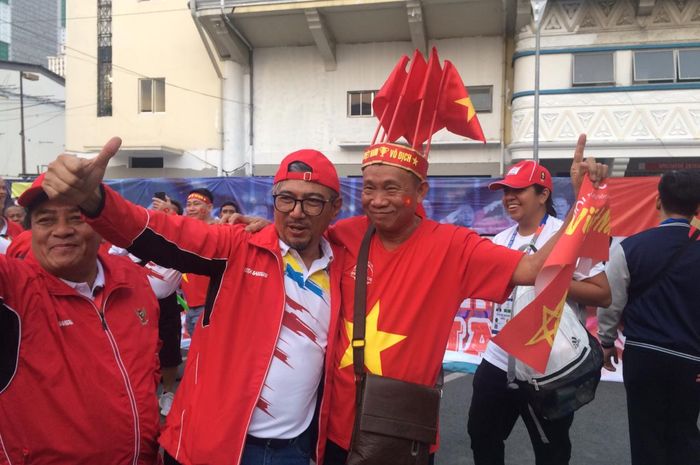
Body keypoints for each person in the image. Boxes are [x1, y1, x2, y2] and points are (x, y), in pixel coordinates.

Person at [41, 139, 346, 465]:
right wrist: (95, 200)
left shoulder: (344, 261)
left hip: (295, 450)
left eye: (313, 202)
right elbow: (161, 234)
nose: (297, 213)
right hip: (210, 447)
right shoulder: (236, 246)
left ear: (336, 207)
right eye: (286, 199)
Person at [320, 135, 608, 464]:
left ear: (420, 192)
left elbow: (532, 268)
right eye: (369, 187)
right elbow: (297, 248)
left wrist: (583, 201)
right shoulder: (344, 236)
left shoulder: (453, 245)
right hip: (336, 424)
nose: (377, 200)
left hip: (402, 426)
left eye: (391, 188)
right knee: (484, 436)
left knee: (548, 446)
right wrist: (254, 227)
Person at [0, 174, 161, 464]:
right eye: (45, 220)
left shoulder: (134, 280)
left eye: (76, 218)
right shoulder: (15, 289)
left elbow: (149, 366)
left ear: (101, 225)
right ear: (31, 231)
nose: (61, 231)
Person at [467, 160, 611, 465]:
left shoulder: (568, 234)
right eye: (505, 191)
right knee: (482, 436)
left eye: (518, 190)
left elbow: (603, 293)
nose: (509, 197)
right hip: (498, 359)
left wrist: (551, 281)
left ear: (543, 194)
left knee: (551, 450)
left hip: (548, 367)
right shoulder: (500, 240)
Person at [598, 170, 700, 465]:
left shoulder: (630, 247)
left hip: (644, 355)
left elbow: (609, 301)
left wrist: (606, 342)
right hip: (691, 360)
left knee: (646, 436)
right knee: (683, 433)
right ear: (696, 207)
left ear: (658, 202)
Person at [110, 192, 184, 417]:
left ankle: (168, 393)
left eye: (166, 212)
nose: (159, 216)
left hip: (167, 304)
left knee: (170, 351)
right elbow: (111, 256)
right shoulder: (133, 238)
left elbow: (206, 229)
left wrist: (171, 217)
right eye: (156, 213)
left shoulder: (183, 240)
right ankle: (142, 394)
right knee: (139, 350)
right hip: (136, 305)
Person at [181, 188, 216, 337]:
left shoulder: (220, 230)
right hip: (190, 306)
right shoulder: (186, 232)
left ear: (209, 207)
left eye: (196, 204)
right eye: (188, 204)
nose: (191, 208)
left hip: (210, 306)